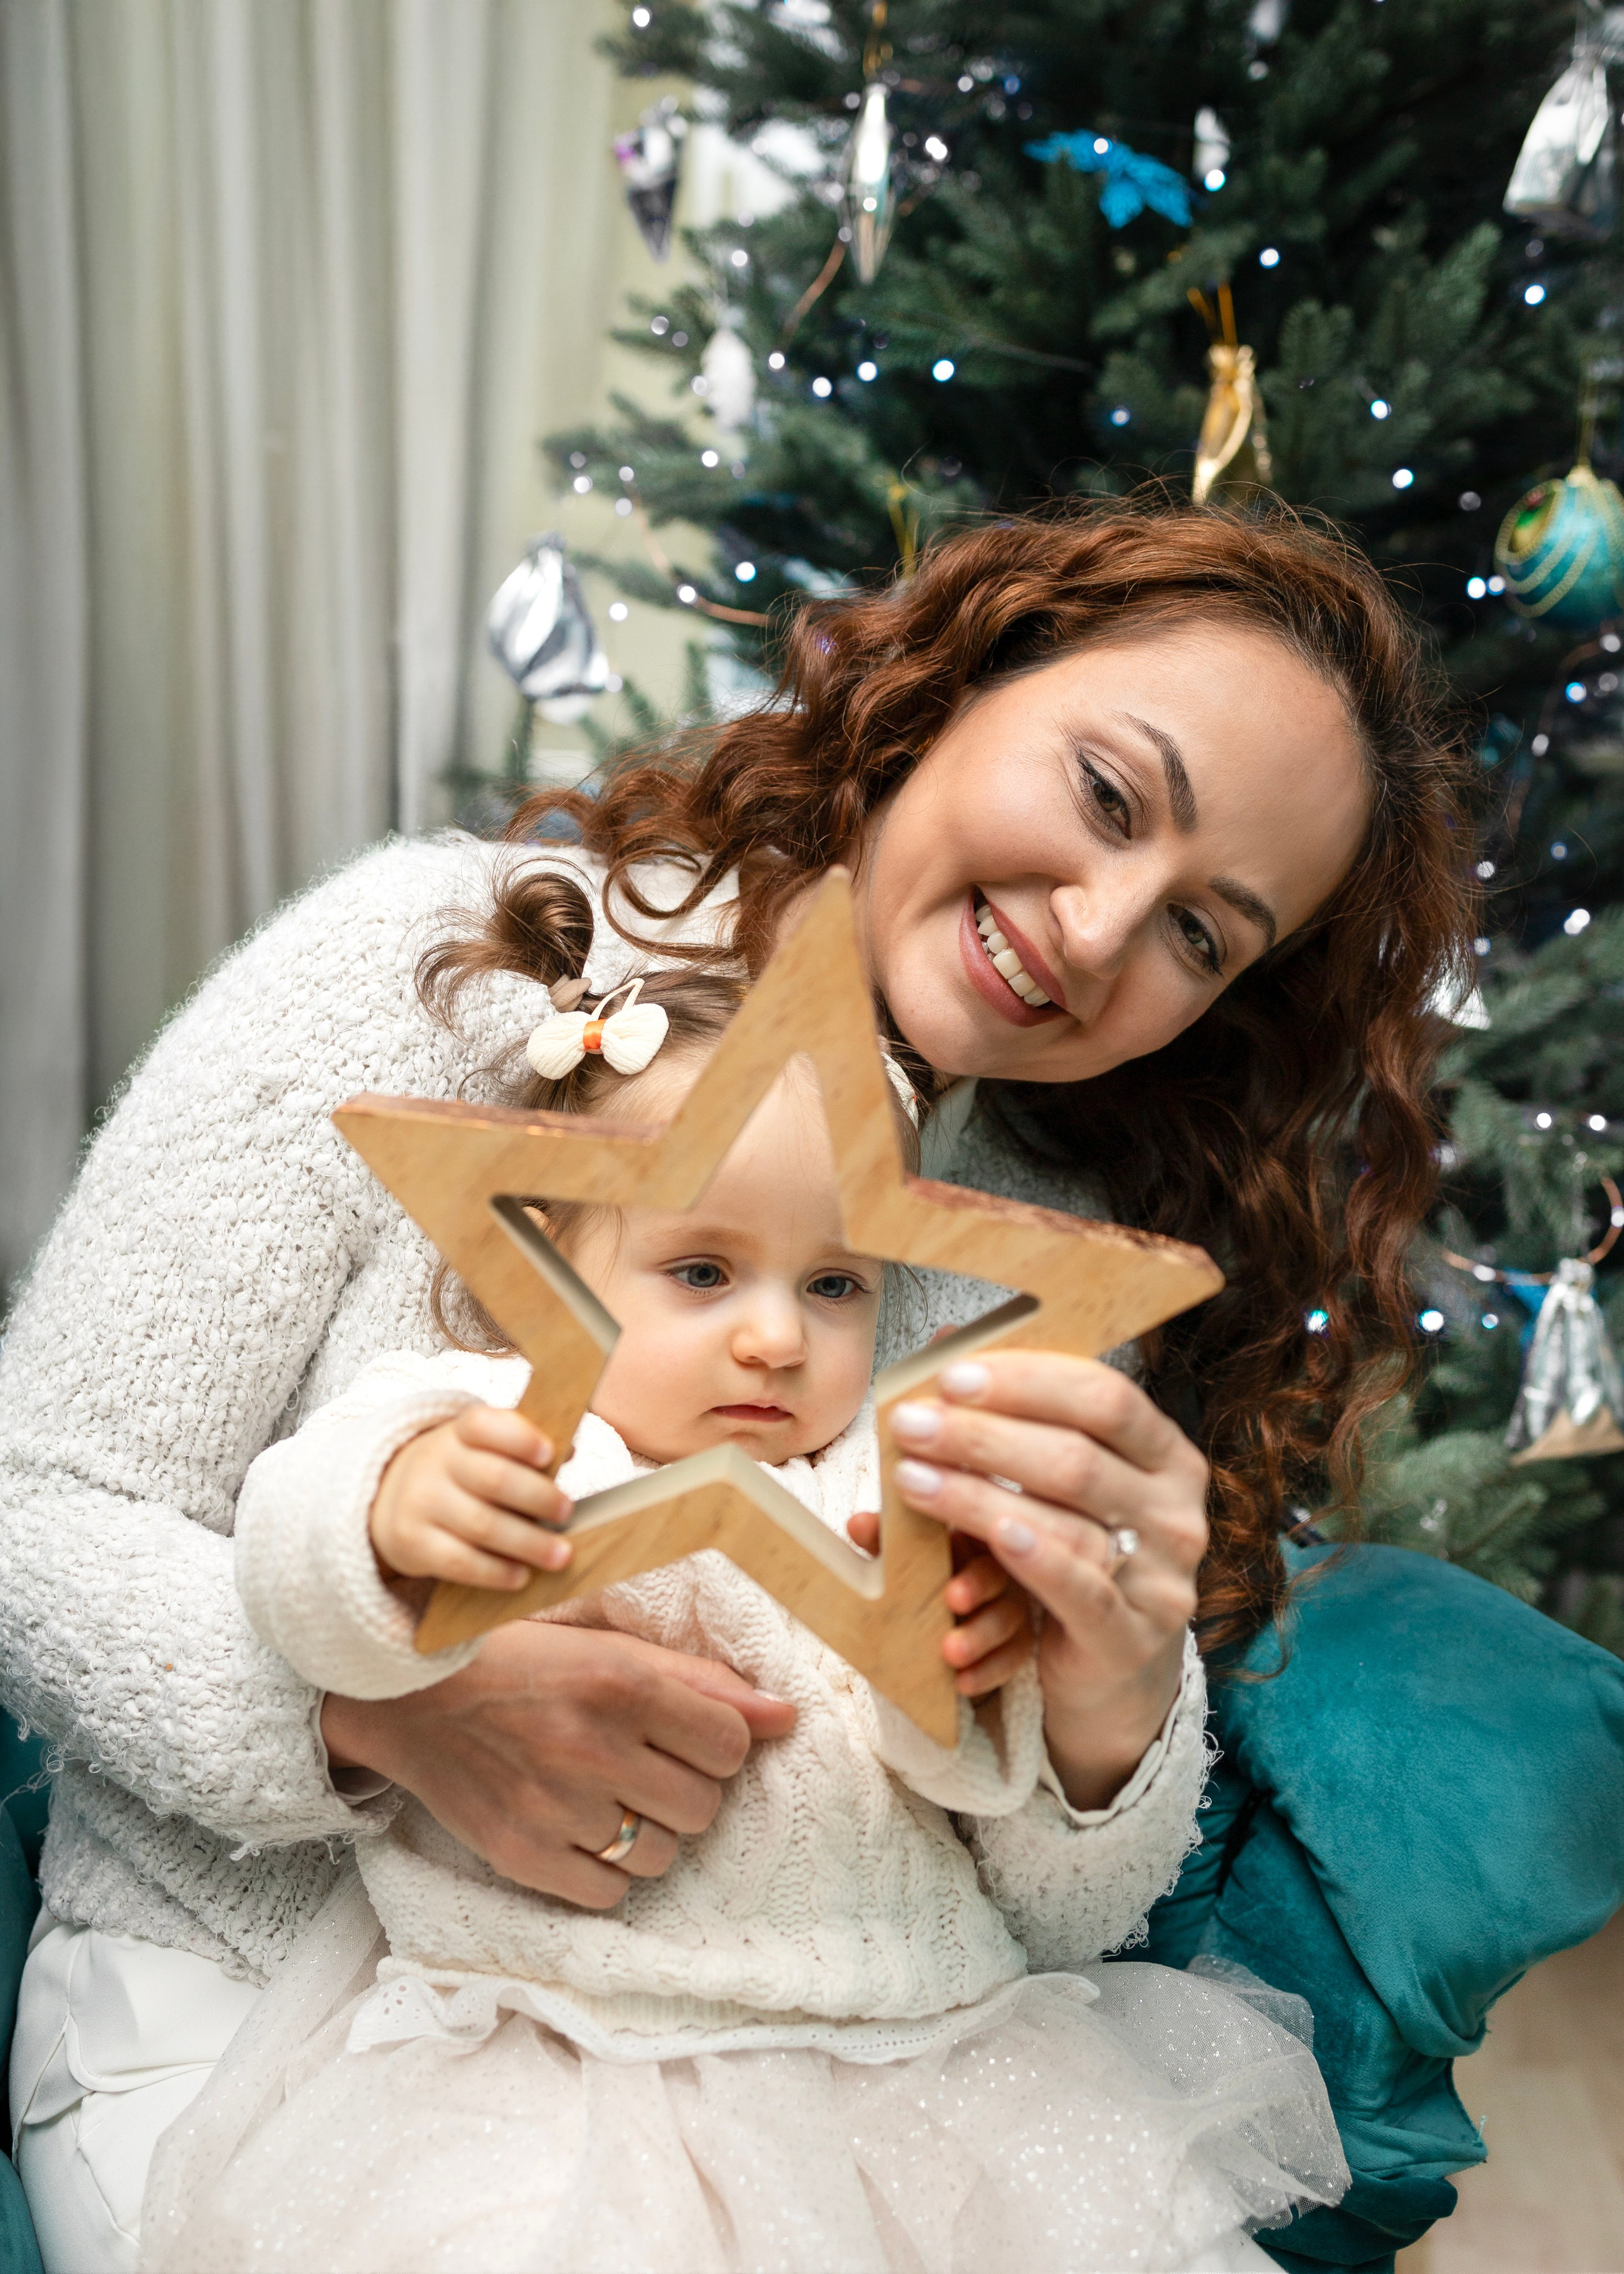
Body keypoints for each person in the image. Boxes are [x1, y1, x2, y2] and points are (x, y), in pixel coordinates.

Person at [0, 502, 1476, 2271]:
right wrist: (383, 1722)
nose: (1099, 932)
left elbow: (1048, 1916)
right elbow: (35, 1514)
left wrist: (1107, 1712)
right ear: (958, 682)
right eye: (1105, 795)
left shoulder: (1050, 1255)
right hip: (252, 2024)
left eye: (1201, 935)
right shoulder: (440, 972)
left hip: (826, 2089)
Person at [150, 967, 1344, 2269]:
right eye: (703, 1270)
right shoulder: (496, 1436)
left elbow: (964, 1785)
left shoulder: (891, 1482)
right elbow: (295, 1577)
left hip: (927, 2058)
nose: (776, 1337)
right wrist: (387, 1513)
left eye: (833, 1284)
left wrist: (977, 1668)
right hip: (549, 2066)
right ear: (548, 1254)